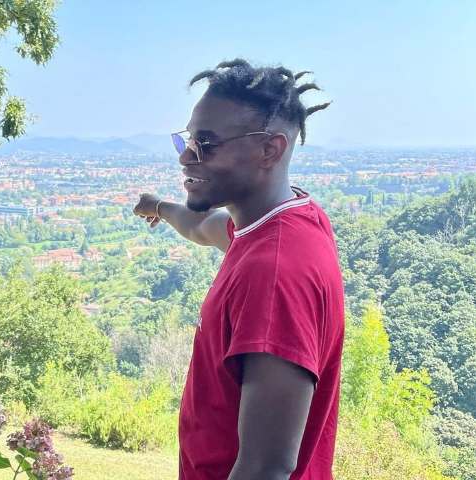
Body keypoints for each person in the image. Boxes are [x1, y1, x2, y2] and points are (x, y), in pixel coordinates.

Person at [133, 58, 344, 480]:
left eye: (206, 144)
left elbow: (266, 468)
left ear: (270, 150)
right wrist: (160, 207)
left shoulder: (275, 275)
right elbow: (202, 227)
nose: (186, 157)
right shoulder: (278, 221)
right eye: (188, 140)